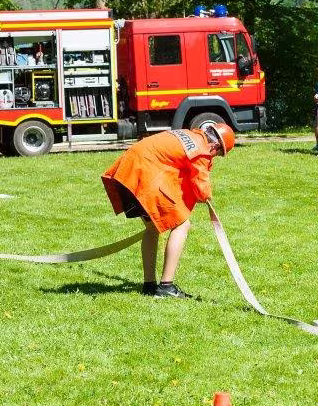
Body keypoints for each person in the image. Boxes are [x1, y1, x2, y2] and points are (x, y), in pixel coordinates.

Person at [101, 123, 235, 298]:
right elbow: (202, 190)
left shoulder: (188, 134)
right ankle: (166, 287)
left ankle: (149, 285)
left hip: (128, 172)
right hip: (144, 174)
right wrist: (207, 196)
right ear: (215, 146)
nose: (214, 157)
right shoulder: (201, 149)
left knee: (152, 228)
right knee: (183, 225)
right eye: (218, 154)